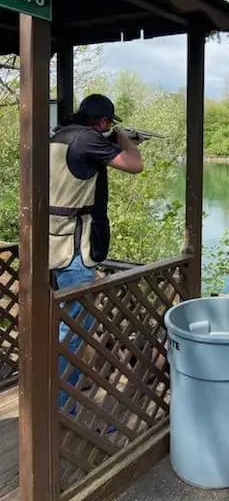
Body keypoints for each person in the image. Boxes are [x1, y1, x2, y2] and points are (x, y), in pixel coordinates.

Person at [49, 93, 144, 411]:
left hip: (52, 244)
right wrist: (125, 139)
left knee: (65, 325)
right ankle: (62, 406)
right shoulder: (89, 139)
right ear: (102, 122)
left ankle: (58, 399)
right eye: (108, 124)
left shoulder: (60, 135)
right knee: (75, 331)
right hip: (74, 249)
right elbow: (135, 165)